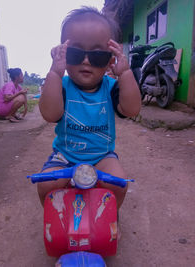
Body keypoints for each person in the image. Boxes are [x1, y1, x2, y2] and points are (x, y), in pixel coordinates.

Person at [38, 7, 141, 210]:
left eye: (97, 56)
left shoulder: (110, 88)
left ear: (110, 60)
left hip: (102, 157)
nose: (86, 61)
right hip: (64, 157)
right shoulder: (61, 85)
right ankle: (56, 217)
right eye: (76, 53)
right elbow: (50, 114)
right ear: (64, 56)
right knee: (45, 184)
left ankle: (108, 215)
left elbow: (132, 109)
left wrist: (126, 73)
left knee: (118, 182)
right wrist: (54, 74)